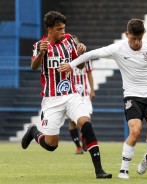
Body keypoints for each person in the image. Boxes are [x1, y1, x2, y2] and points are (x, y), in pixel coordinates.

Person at [58, 19, 147, 179]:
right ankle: (124, 169)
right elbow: (92, 54)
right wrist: (71, 65)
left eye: (140, 38)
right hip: (132, 96)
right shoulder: (118, 48)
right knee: (135, 130)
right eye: (134, 38)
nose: (137, 42)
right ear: (127, 35)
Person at [21, 11, 112, 179]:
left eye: (64, 28)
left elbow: (82, 66)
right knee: (51, 145)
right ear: (50, 29)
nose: (63, 32)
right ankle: (34, 131)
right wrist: (41, 53)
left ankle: (99, 170)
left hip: (71, 94)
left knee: (86, 123)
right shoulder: (39, 45)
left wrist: (82, 52)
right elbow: (34, 67)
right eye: (59, 29)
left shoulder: (69, 41)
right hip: (51, 99)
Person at [68, 35, 95, 154]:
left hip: (84, 94)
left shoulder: (85, 57)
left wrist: (92, 89)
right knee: (72, 121)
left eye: (75, 42)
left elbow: (89, 73)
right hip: (71, 94)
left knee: (87, 118)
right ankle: (78, 147)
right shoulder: (65, 56)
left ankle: (84, 137)